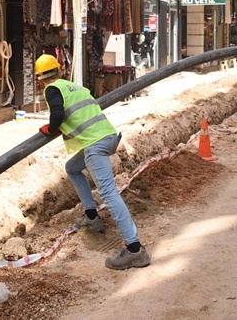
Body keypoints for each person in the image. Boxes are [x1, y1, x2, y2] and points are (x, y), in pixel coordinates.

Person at [34, 54, 151, 270]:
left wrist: (49, 129)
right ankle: (91, 216)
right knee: (73, 168)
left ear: (40, 79)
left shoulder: (52, 89)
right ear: (59, 70)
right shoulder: (74, 86)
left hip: (94, 144)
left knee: (108, 193)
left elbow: (57, 115)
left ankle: (135, 250)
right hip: (108, 137)